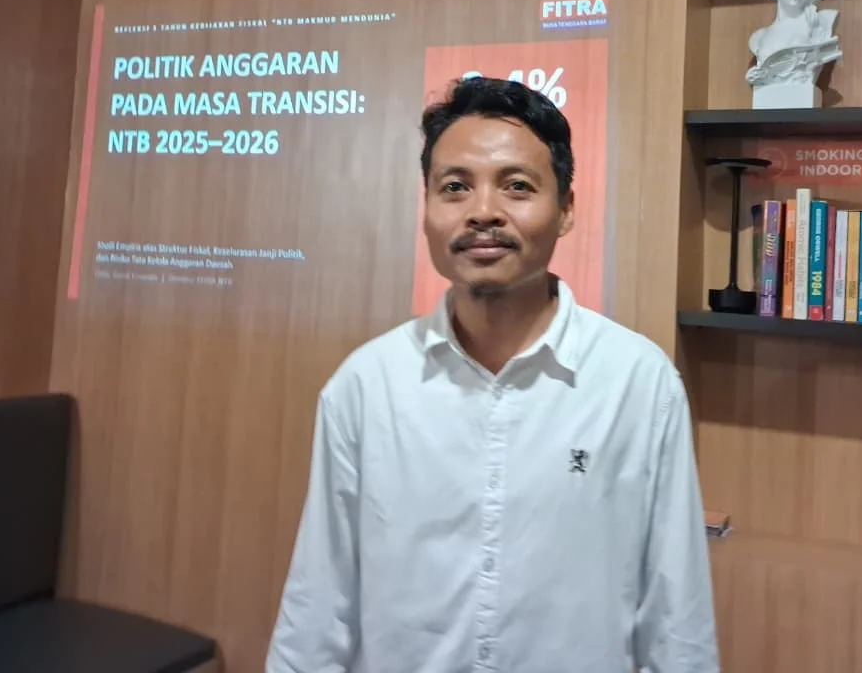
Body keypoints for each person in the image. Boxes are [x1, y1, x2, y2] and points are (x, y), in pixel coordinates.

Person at [266, 76, 719, 673]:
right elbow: (318, 609)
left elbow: (677, 619)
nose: (483, 212)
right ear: (427, 208)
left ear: (566, 210)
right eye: (455, 187)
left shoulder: (638, 384)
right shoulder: (366, 387)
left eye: (517, 186)